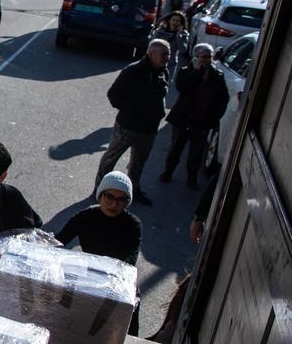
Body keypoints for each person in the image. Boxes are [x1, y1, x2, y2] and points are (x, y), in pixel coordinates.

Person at [94, 39, 171, 206]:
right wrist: (130, 111)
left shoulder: (164, 71)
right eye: (164, 54)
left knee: (138, 162)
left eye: (168, 53)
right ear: (152, 54)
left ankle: (133, 190)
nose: (168, 57)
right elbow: (113, 95)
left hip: (149, 129)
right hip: (127, 126)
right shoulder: (133, 71)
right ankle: (100, 189)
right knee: (110, 158)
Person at [160, 42, 229, 190]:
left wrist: (214, 118)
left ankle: (192, 177)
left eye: (209, 57)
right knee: (176, 148)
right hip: (183, 119)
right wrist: (197, 72)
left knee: (196, 153)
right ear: (196, 57)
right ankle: (168, 171)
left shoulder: (217, 75)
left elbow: (223, 98)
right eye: (203, 57)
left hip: (202, 121)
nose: (207, 60)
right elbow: (183, 88)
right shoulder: (186, 72)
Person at [55, 171, 142, 266]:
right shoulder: (85, 217)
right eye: (109, 197)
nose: (114, 204)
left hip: (115, 272)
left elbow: (131, 258)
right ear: (100, 196)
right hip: (88, 268)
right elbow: (59, 240)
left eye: (121, 199)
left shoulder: (133, 224)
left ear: (127, 203)